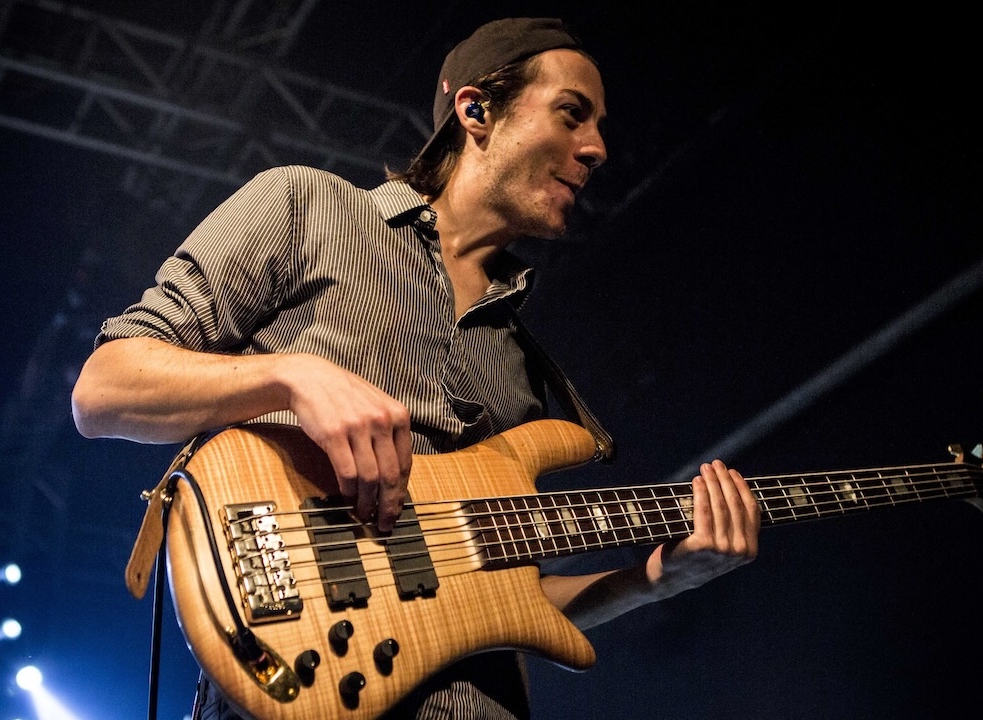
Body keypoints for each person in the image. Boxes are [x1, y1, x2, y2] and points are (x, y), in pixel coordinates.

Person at [71, 16, 760, 720]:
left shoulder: (521, 369)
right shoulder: (306, 207)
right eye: (571, 114)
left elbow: (497, 603)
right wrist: (291, 376)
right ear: (476, 110)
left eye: (598, 127)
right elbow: (104, 389)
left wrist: (655, 579)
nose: (596, 149)